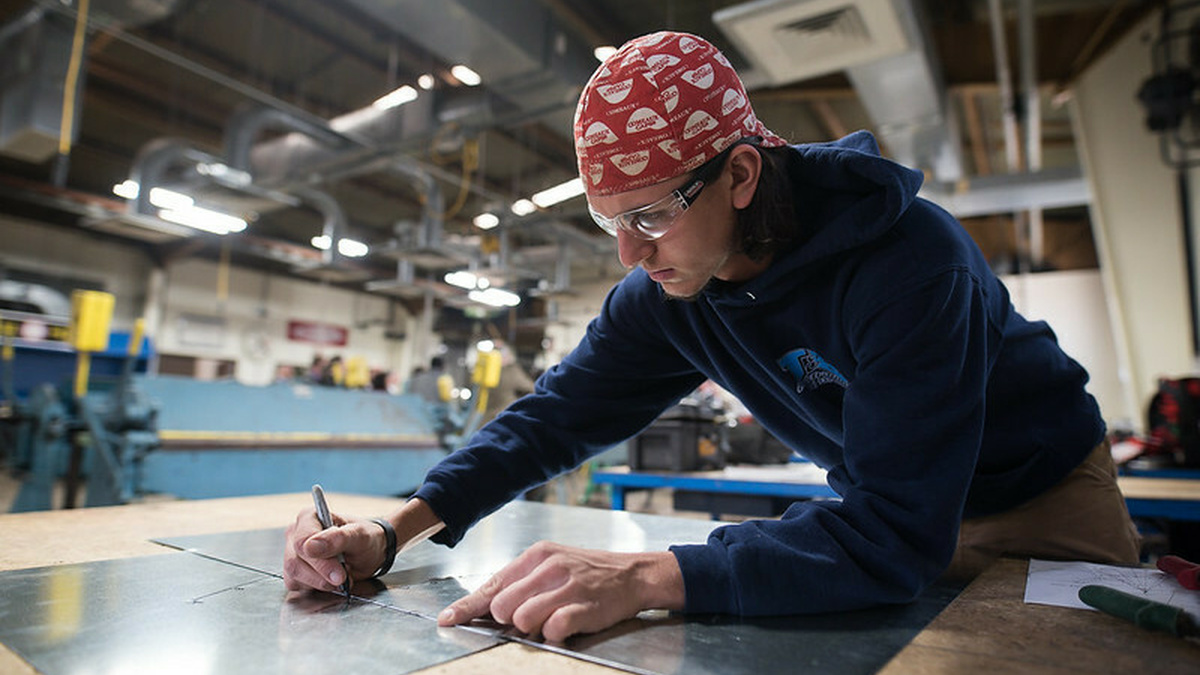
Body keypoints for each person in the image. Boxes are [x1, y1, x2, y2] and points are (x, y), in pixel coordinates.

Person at [284, 31, 1140, 642]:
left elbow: (894, 535)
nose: (630, 251)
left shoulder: (911, 264)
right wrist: (394, 530)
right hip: (898, 515)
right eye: (609, 221)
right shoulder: (667, 290)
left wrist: (650, 574)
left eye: (651, 212)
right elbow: (549, 420)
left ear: (740, 173)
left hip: (1043, 503)